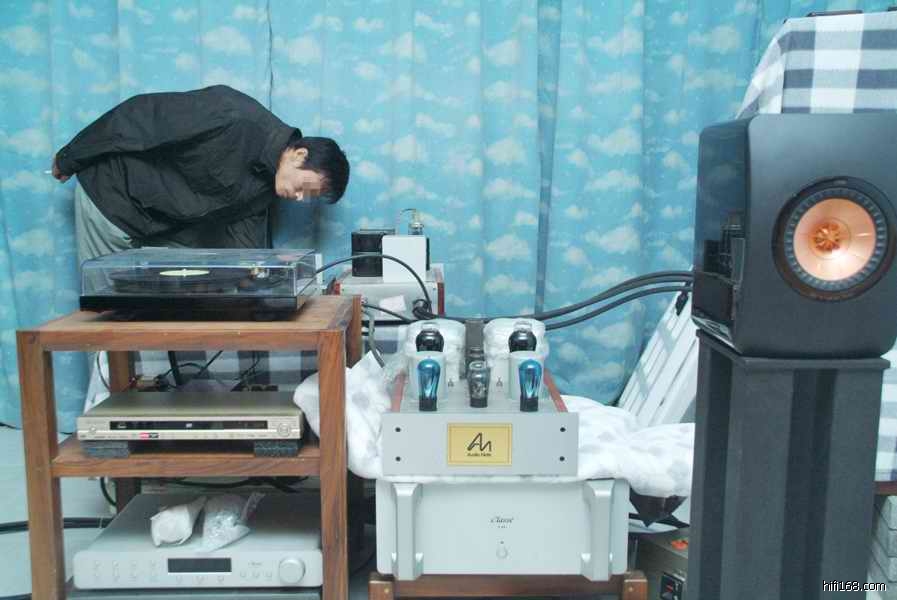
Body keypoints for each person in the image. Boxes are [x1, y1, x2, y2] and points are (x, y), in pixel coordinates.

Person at [51, 85, 350, 264]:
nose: (298, 198)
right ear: (300, 155)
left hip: (158, 224)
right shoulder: (233, 116)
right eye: (304, 188)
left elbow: (243, 242)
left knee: (157, 312)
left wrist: (259, 284)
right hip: (112, 197)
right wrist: (70, 157)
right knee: (105, 313)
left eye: (307, 197)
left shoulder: (266, 188)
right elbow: (139, 116)